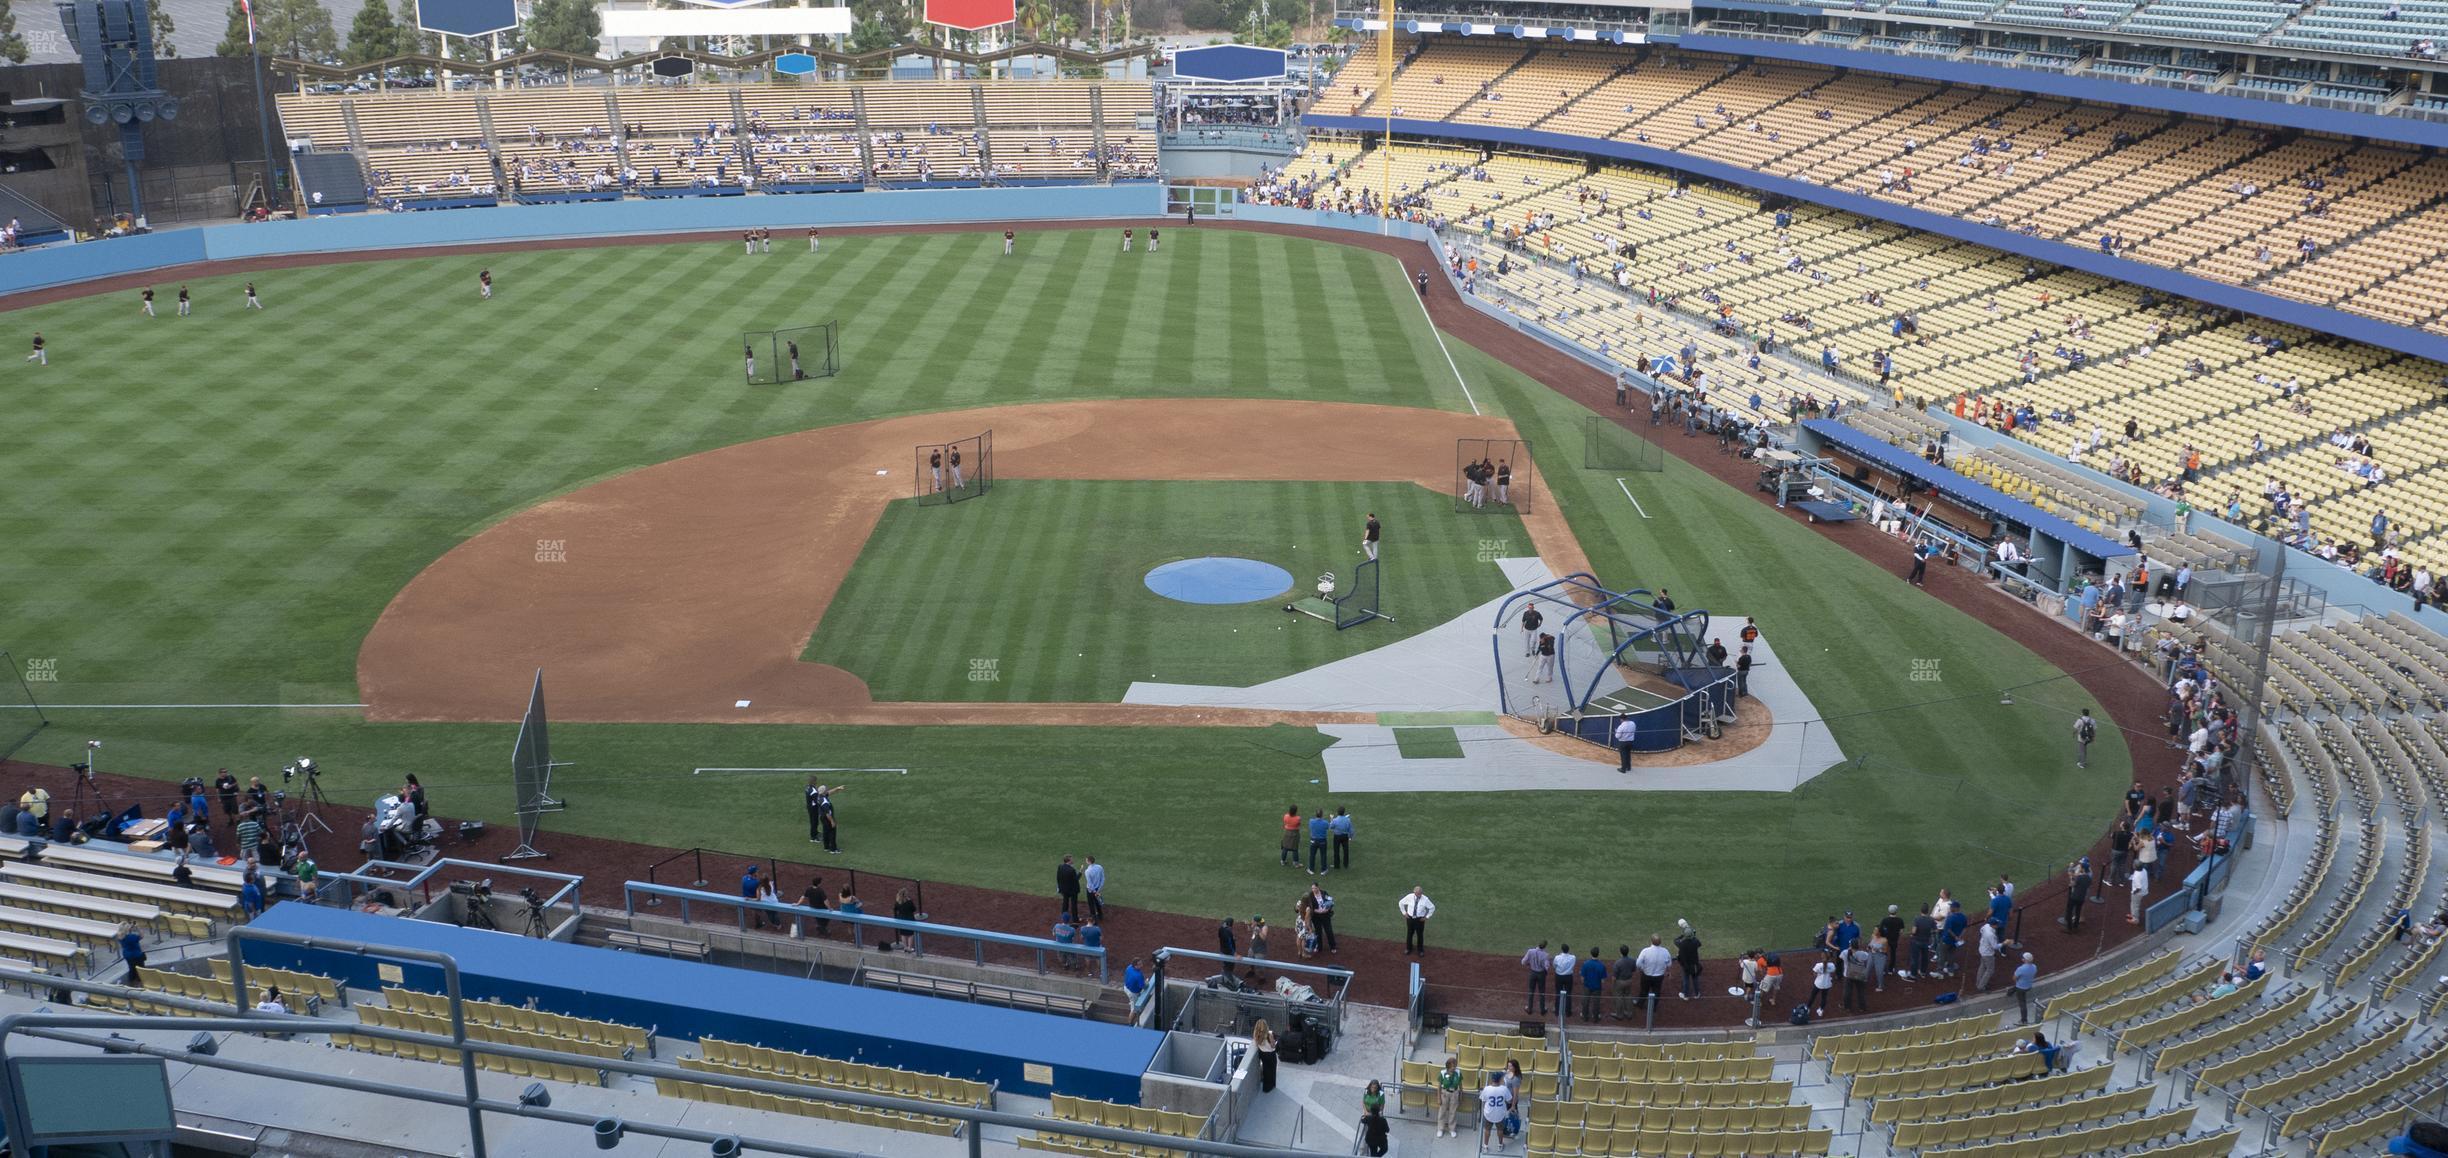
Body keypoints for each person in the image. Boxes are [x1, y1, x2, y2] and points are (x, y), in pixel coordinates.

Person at [1478, 1070, 1512, 1148]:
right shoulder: (1504, 1089)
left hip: (1489, 1114)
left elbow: (1483, 1101)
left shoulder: (1486, 1089)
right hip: (1500, 1114)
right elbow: (1509, 1101)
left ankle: (1485, 1146)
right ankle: (1500, 1145)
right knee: (1500, 1130)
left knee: (1487, 1130)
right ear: (1500, 1080)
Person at [1399, 886, 1434, 955]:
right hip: (1410, 918)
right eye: (1417, 893)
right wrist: (1404, 913)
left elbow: (1432, 907)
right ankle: (1408, 948)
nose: (1419, 895)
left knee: (1420, 934)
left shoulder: (1425, 899)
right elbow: (1401, 903)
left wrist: (1427, 917)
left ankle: (1420, 950)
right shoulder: (1409, 897)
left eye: (1420, 893)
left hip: (1420, 919)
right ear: (1414, 892)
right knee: (1409, 933)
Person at [1435, 1055, 1463, 1137]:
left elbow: (1461, 1085)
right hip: (1444, 1093)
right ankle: (1440, 1129)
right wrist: (1438, 1098)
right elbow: (1439, 1086)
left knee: (1453, 1112)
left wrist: (1461, 1095)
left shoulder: (1458, 1072)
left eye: (1455, 1065)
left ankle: (1452, 1129)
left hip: (1454, 1093)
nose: (1454, 1067)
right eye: (1452, 1066)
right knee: (1442, 1111)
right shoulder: (1442, 1073)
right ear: (1448, 1066)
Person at [1675, 919, 1703, 999]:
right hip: (1695, 965)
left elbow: (1675, 940)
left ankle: (1685, 995)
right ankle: (1697, 994)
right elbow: (1699, 943)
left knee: (1686, 980)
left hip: (1686, 965)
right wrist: (1692, 933)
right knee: (1695, 980)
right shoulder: (1695, 942)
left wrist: (1682, 935)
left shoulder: (1682, 944)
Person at [1521, 941, 1550, 1014]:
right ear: (1545, 947)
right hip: (1541, 974)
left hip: (1532, 973)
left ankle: (1529, 1009)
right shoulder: (1545, 955)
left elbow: (1523, 962)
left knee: (1531, 991)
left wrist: (1529, 964)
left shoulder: (1530, 951)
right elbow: (1546, 967)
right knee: (1542, 992)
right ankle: (1542, 1010)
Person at [742, 864, 771, 929]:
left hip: (744, 897)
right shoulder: (756, 882)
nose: (758, 872)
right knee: (757, 911)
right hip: (753, 899)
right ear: (754, 873)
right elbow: (758, 898)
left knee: (753, 910)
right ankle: (758, 924)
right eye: (756, 871)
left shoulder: (744, 878)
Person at [1252, 1019, 1278, 1092]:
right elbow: (1273, 1046)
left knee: (1266, 1070)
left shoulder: (1256, 1034)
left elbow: (1257, 1044)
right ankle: (1271, 1086)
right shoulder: (1269, 1034)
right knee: (1272, 1070)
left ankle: (1266, 1088)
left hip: (1262, 1054)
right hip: (1271, 1054)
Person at [1310, 884, 1337, 953]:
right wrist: (1316, 911)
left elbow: (1331, 902)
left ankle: (1333, 947)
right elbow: (1310, 907)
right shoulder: (1310, 895)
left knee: (1329, 931)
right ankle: (1319, 947)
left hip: (1325, 915)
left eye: (1315, 888)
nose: (1314, 890)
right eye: (1312, 888)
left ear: (1318, 887)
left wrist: (1327, 910)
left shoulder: (1324, 893)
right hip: (1316, 917)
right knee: (1318, 932)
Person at [2012, 952, 2038, 1023]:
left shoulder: (2021, 969)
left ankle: (2024, 1020)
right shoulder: (2034, 967)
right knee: (2014, 989)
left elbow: (2014, 978)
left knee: (2022, 1003)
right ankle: (2009, 992)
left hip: (2020, 988)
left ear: (2024, 960)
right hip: (2028, 986)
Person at [816, 784, 840, 854]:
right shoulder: (824, 801)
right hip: (827, 818)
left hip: (822, 817)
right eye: (826, 789)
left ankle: (826, 847)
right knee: (832, 833)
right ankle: (833, 849)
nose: (827, 790)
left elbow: (829, 792)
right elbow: (827, 813)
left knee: (826, 831)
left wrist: (837, 788)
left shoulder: (820, 796)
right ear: (823, 792)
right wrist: (832, 821)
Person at [1055, 855, 1081, 922]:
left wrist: (1059, 887)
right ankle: (1075, 919)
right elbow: (1076, 879)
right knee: (1074, 904)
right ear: (1069, 861)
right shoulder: (1072, 870)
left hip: (1064, 889)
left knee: (1065, 903)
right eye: (1071, 859)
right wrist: (1080, 872)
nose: (1073, 860)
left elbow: (1058, 878)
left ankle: (1064, 917)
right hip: (1073, 890)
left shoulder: (1060, 867)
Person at [1307, 810, 1330, 875]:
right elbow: (1329, 827)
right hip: (1322, 841)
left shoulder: (1311, 821)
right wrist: (1331, 819)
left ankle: (1311, 869)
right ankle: (1323, 870)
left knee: (1312, 855)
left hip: (1313, 840)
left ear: (1316, 815)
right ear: (1322, 815)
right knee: (1323, 855)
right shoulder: (1325, 822)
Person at [1082, 855, 1105, 921]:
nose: (1085, 861)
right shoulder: (1100, 867)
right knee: (1097, 902)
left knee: (1091, 903)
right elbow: (1103, 878)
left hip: (1090, 890)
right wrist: (1098, 890)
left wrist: (1094, 891)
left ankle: (1093, 917)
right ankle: (1100, 916)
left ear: (1089, 861)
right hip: (1098, 888)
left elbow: (1090, 883)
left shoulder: (1087, 871)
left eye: (1086, 860)